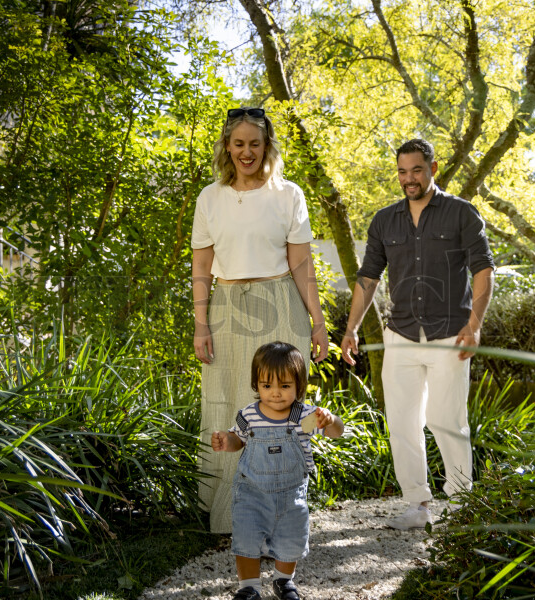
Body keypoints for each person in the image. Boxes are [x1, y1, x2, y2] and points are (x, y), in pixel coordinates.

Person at [340, 138, 494, 529]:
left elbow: (483, 271)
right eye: (402, 172)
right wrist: (352, 328)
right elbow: (368, 278)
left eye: (417, 170)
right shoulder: (384, 221)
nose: (409, 179)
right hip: (401, 335)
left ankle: (460, 506)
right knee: (402, 423)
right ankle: (416, 506)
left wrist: (474, 326)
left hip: (449, 335)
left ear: (433, 168)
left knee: (447, 420)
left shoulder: (462, 214)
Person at [192, 107, 329, 534]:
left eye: (255, 143)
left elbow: (302, 264)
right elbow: (201, 264)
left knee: (281, 406)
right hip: (227, 304)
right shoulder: (210, 198)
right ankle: (231, 516)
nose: (247, 152)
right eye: (239, 144)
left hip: (280, 301)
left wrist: (319, 323)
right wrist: (200, 323)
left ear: (267, 146)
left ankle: (283, 516)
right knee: (231, 402)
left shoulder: (288, 194)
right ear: (226, 148)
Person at [212, 342, 344, 600]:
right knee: (246, 538)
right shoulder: (247, 415)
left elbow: (335, 433)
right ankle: (248, 586)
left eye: (284, 386)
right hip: (252, 491)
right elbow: (238, 439)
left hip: (290, 493)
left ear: (299, 385)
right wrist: (227, 442)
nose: (275, 393)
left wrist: (331, 420)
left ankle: (284, 581)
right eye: (266, 385)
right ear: (256, 384)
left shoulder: (302, 416)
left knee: (291, 538)